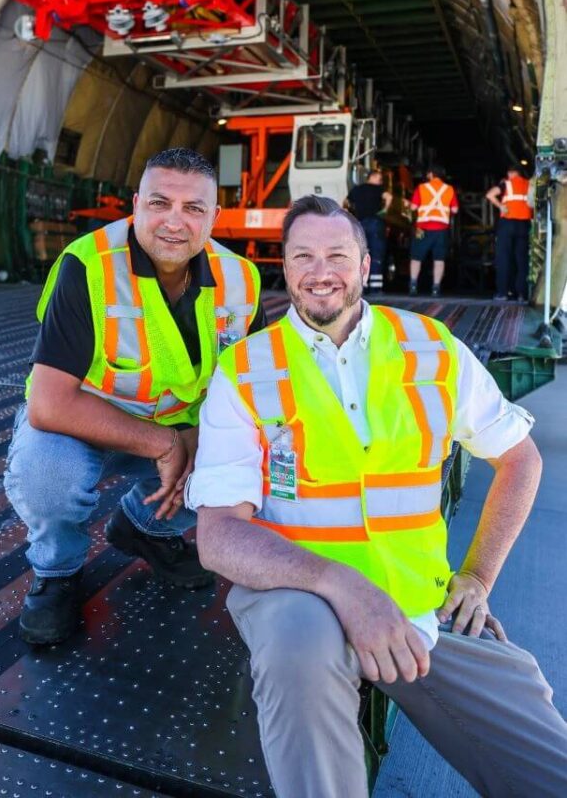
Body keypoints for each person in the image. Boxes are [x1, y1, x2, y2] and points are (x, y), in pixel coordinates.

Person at [187, 194, 567, 798]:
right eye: (302, 256)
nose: (320, 271)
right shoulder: (245, 371)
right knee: (298, 646)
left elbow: (519, 457)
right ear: (283, 269)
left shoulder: (432, 347)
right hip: (299, 601)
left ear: (366, 266)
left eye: (338, 254)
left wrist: (477, 577)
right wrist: (342, 586)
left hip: (421, 610)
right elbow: (219, 535)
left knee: (547, 766)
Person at [5, 148, 264, 645]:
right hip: (82, 426)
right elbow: (49, 404)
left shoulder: (240, 279)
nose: (174, 222)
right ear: (137, 204)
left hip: (177, 427)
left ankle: (146, 527)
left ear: (215, 216)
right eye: (160, 203)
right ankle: (57, 572)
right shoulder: (89, 265)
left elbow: (250, 390)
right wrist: (165, 445)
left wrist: (195, 439)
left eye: (193, 209)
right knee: (47, 472)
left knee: (253, 451)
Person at [409, 165, 459, 297]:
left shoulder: (421, 188)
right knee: (439, 259)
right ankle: (436, 288)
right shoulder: (449, 189)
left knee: (416, 257)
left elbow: (413, 207)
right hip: (441, 229)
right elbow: (455, 210)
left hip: (422, 228)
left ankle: (413, 285)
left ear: (430, 174)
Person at [486, 165, 534, 303]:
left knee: (504, 258)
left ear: (510, 173)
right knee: (522, 259)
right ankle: (522, 294)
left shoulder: (505, 183)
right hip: (524, 224)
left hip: (507, 223)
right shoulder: (528, 184)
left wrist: (500, 206)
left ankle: (503, 293)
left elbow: (489, 194)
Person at [344, 168, 392, 293]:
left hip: (360, 224)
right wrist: (385, 209)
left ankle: (362, 286)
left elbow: (345, 203)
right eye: (379, 178)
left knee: (361, 255)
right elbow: (389, 197)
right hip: (375, 223)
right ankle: (376, 288)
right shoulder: (378, 189)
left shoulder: (356, 190)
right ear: (373, 177)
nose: (381, 181)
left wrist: (349, 213)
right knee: (376, 255)